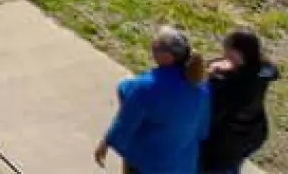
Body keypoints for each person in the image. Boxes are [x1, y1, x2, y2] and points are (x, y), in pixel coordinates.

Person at [97, 25, 210, 173]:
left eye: (156, 46)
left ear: (168, 56)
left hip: (147, 163)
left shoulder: (146, 87)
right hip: (182, 165)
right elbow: (202, 131)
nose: (152, 48)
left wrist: (106, 143)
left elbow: (126, 121)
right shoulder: (201, 89)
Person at [202, 27, 276, 174]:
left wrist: (213, 76)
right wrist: (231, 67)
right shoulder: (261, 72)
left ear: (236, 53)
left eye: (226, 48)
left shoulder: (228, 85)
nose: (223, 52)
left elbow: (212, 113)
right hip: (253, 133)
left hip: (226, 142)